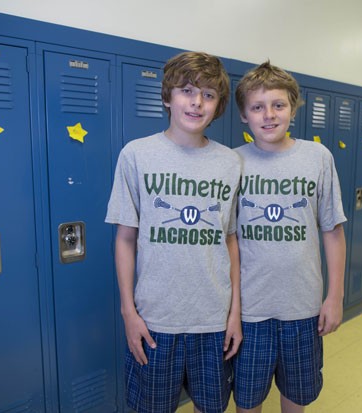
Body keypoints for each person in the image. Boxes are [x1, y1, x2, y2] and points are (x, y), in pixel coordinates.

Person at [105, 51, 242, 413]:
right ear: (168, 97)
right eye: (186, 90)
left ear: (219, 105)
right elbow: (124, 238)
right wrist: (128, 313)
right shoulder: (136, 155)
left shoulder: (230, 162)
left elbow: (230, 239)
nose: (197, 102)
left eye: (209, 95)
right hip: (155, 321)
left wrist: (234, 314)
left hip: (213, 319)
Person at [232, 61, 347, 413]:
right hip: (250, 311)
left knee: (296, 398)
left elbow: (333, 231)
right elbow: (226, 242)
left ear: (293, 109)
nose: (269, 115)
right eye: (257, 107)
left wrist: (335, 297)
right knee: (248, 400)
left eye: (278, 105)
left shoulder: (318, 158)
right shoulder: (231, 163)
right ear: (244, 115)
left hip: (303, 307)